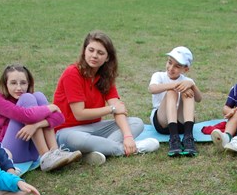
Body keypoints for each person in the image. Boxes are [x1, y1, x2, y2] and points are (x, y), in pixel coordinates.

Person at [53, 30, 160, 166]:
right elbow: (79, 114)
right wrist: (111, 109)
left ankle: (95, 151)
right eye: (91, 50)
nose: (94, 55)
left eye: (100, 53)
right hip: (67, 132)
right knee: (80, 139)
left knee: (136, 123)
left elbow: (119, 109)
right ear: (84, 50)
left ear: (107, 57)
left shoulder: (105, 77)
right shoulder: (72, 73)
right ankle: (136, 148)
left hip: (95, 129)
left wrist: (127, 136)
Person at [0, 64, 81, 171]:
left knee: (39, 96)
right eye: (13, 83)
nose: (19, 88)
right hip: (8, 152)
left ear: (28, 84)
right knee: (28, 99)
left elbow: (59, 118)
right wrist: (50, 108)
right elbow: (28, 116)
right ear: (5, 84)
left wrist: (35, 126)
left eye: (23, 83)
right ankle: (45, 156)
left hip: (32, 153)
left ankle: (54, 151)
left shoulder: (31, 98)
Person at [148, 46, 203, 157]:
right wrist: (174, 85)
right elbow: (152, 89)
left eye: (177, 66)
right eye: (169, 62)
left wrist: (192, 85)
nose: (171, 68)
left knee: (188, 91)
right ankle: (174, 139)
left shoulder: (187, 81)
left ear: (185, 69)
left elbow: (198, 99)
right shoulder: (158, 75)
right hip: (162, 123)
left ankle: (188, 137)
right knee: (171, 91)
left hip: (181, 125)